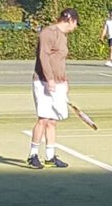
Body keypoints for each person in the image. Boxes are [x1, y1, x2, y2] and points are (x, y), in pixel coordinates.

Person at [28, 9, 79, 169]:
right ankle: (33, 155)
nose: (76, 27)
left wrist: (64, 80)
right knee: (43, 119)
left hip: (58, 83)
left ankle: (50, 156)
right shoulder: (48, 32)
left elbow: (59, 61)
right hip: (43, 81)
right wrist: (49, 79)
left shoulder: (63, 37)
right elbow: (43, 57)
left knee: (52, 121)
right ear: (70, 20)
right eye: (76, 23)